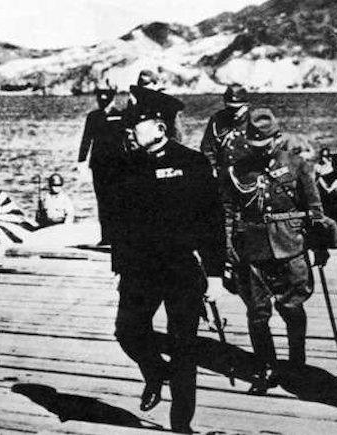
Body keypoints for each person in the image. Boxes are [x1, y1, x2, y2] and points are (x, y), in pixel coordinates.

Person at [109, 84, 225, 433]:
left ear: (160, 128)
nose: (130, 130)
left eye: (137, 124)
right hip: (140, 270)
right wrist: (120, 267)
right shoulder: (126, 165)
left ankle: (181, 424)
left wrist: (216, 275)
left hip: (180, 269)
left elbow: (212, 221)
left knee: (184, 346)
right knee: (128, 331)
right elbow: (120, 222)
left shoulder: (192, 163)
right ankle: (155, 372)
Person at [219, 108, 329, 395]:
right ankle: (265, 367)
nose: (260, 150)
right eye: (254, 144)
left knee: (292, 307)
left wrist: (320, 245)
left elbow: (314, 209)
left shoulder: (296, 165)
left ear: (277, 139)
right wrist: (228, 250)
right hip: (252, 248)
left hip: (291, 246)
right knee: (257, 313)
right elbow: (229, 213)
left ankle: (297, 365)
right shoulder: (236, 171)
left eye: (265, 144)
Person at [78, 87, 125, 244]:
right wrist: (81, 160)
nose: (102, 102)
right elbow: (86, 139)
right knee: (103, 201)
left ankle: (118, 236)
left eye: (105, 99)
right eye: (100, 99)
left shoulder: (120, 116)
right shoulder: (93, 117)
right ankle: (106, 237)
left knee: (117, 199)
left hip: (118, 165)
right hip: (99, 166)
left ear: (112, 98)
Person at [200, 83, 251, 170]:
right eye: (230, 108)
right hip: (223, 170)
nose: (233, 112)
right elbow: (207, 147)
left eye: (237, 109)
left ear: (246, 106)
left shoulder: (256, 121)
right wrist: (213, 166)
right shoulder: (217, 120)